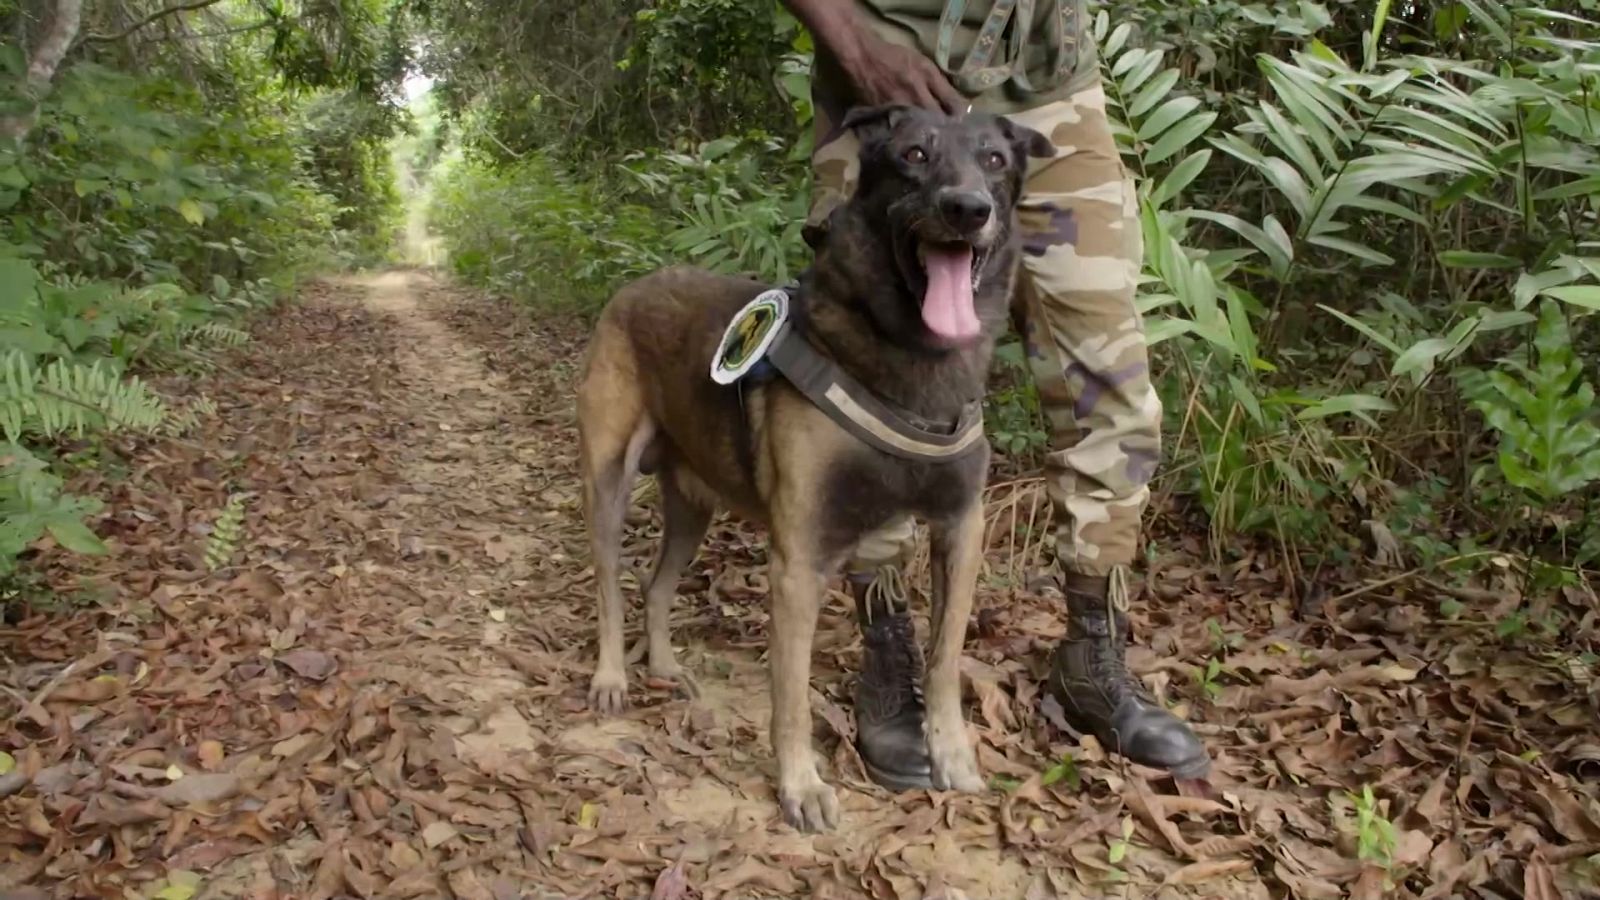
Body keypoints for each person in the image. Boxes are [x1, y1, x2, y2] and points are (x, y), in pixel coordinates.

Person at [776, 0, 1211, 788]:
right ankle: (886, 650)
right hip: (890, 69)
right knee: (866, 377)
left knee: (1107, 367)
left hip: (1050, 77)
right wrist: (848, 42)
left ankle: (1092, 650)